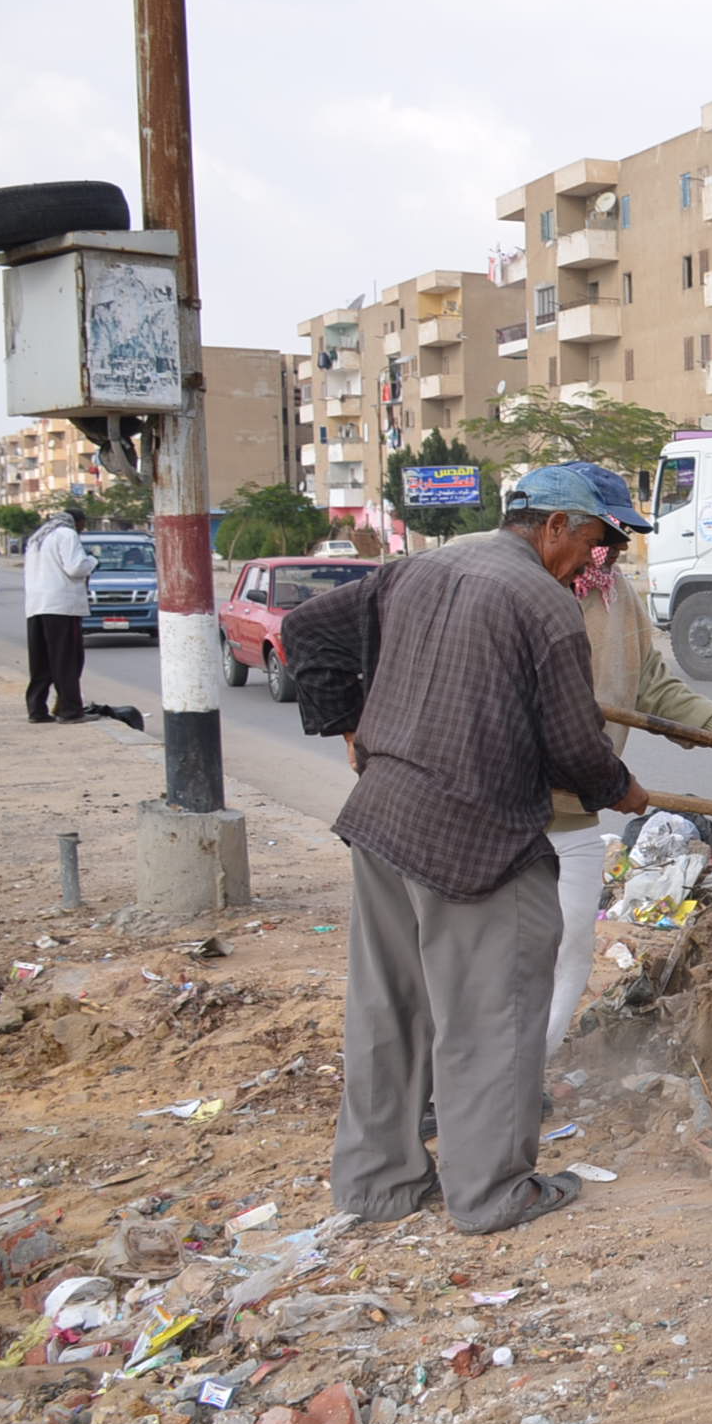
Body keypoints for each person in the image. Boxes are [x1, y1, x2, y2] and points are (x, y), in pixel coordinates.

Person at [283, 465, 654, 1235]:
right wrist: (617, 786)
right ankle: (491, 1193)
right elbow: (572, 748)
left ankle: (378, 1183)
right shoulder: (543, 605)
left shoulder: (421, 567)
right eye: (597, 541)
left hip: (383, 820)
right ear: (552, 525)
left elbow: (305, 630)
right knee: (495, 1014)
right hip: (475, 839)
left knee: (390, 1008)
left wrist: (355, 733)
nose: (600, 560)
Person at [457, 460, 712, 1063]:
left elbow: (648, 683)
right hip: (486, 807)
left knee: (568, 941)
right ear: (558, 527)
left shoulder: (614, 595)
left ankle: (524, 1073)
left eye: (617, 543)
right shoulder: (484, 570)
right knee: (481, 951)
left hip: (570, 807)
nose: (613, 554)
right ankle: (458, 1078)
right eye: (604, 539)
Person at [23, 507, 96, 723]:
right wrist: (92, 562)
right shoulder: (67, 534)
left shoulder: (37, 537)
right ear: (78, 521)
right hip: (61, 606)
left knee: (41, 661)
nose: (83, 528)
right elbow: (75, 568)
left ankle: (37, 710)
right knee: (66, 660)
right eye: (84, 524)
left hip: (36, 606)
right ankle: (70, 711)